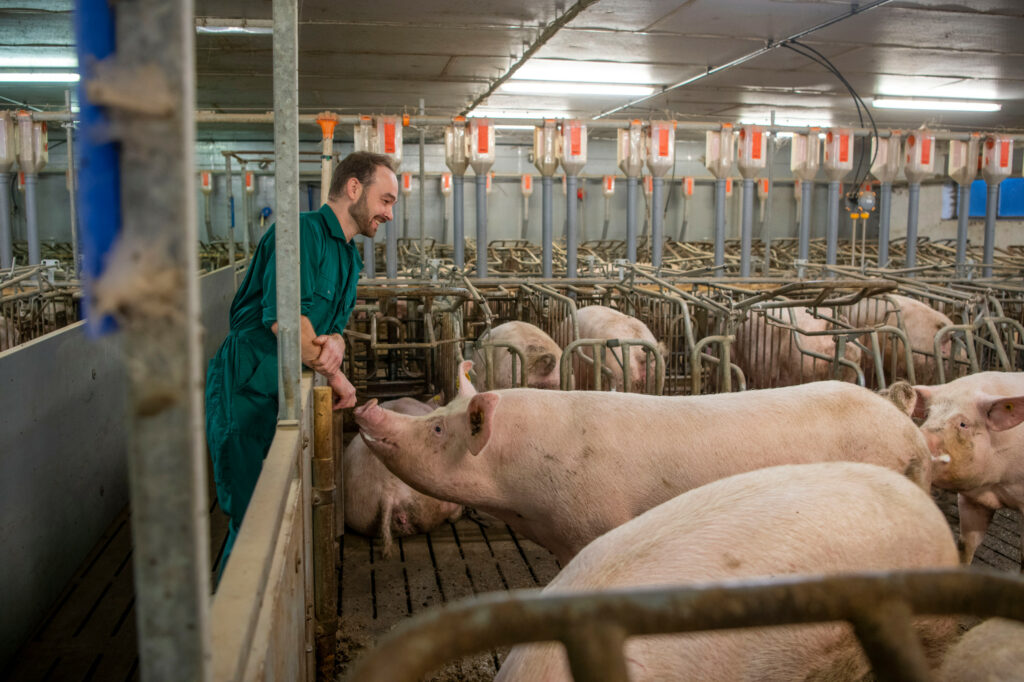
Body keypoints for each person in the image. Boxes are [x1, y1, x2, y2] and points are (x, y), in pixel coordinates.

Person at [206, 151, 398, 574]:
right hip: (248, 387)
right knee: (252, 520)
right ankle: (230, 629)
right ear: (353, 188)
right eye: (385, 200)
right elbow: (287, 325)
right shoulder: (301, 233)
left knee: (278, 513)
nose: (388, 213)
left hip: (287, 391)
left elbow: (329, 335)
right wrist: (339, 377)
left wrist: (338, 347)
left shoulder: (349, 257)